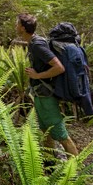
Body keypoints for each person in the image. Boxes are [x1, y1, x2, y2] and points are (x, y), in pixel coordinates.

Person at [16, 13, 78, 157]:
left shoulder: (37, 45)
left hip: (47, 97)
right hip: (40, 95)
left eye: (17, 23)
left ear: (23, 28)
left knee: (62, 136)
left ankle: (76, 172)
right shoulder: (33, 42)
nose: (15, 26)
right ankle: (51, 163)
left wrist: (37, 75)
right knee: (46, 131)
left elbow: (59, 67)